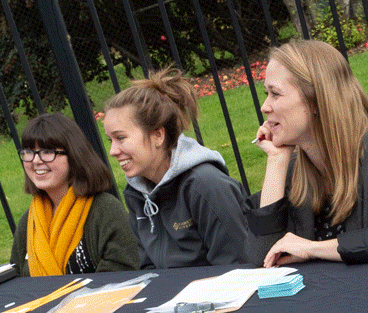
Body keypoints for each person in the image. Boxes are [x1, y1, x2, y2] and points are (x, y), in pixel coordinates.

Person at [250, 39, 368, 267]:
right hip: (344, 296)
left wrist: (311, 249)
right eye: (266, 93)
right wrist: (276, 161)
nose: (265, 106)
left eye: (275, 94)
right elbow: (263, 259)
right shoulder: (294, 169)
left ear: (316, 100)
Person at [103, 69, 256, 268]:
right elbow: (148, 268)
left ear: (158, 135)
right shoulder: (136, 193)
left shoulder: (207, 187)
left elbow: (237, 268)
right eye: (110, 141)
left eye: (121, 138)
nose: (113, 151)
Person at [10, 113, 140, 276]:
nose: (36, 160)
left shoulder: (105, 211)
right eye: (29, 152)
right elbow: (15, 283)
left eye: (48, 151)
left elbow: (120, 275)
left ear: (74, 155)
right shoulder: (29, 222)